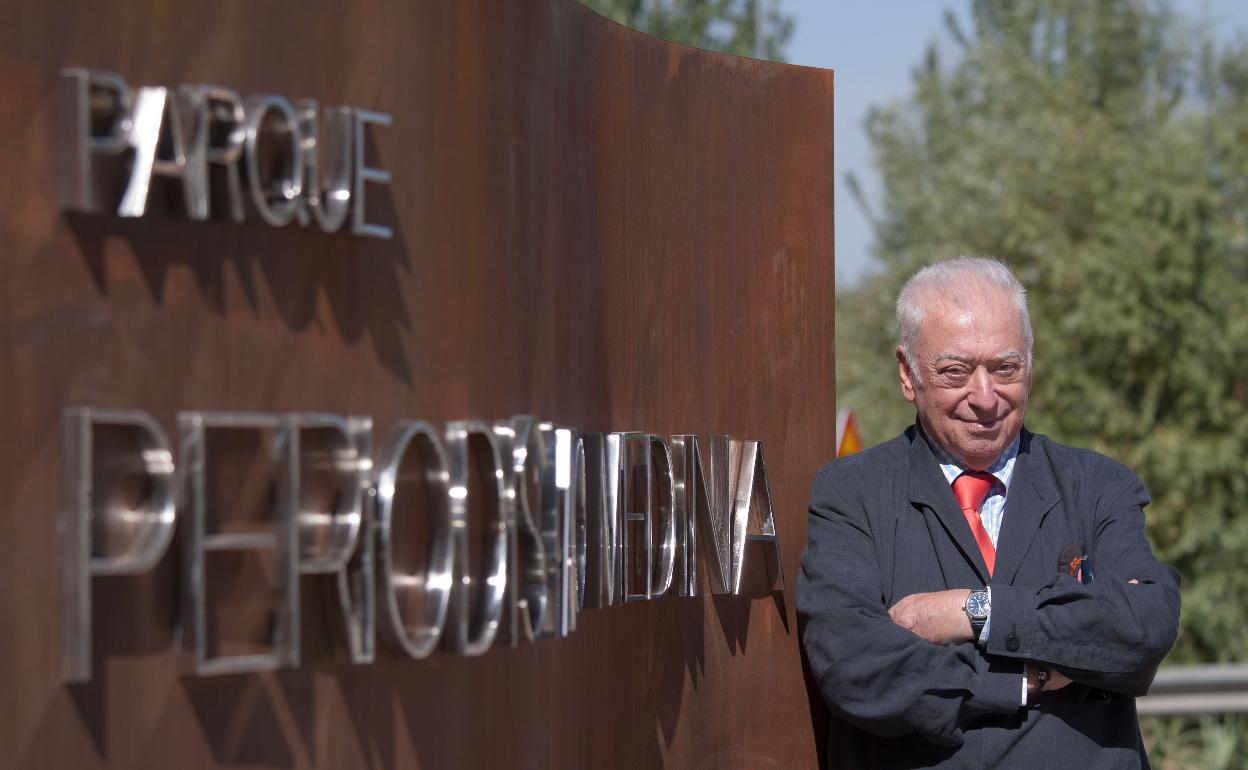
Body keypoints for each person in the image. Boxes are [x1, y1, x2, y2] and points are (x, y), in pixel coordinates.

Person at [797, 257, 1180, 769]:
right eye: (955, 371)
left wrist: (975, 611)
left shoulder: (1096, 486)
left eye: (1005, 369)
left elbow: (1144, 626)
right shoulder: (852, 493)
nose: (984, 397)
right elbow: (855, 667)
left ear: (1030, 366)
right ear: (908, 374)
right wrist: (1027, 678)